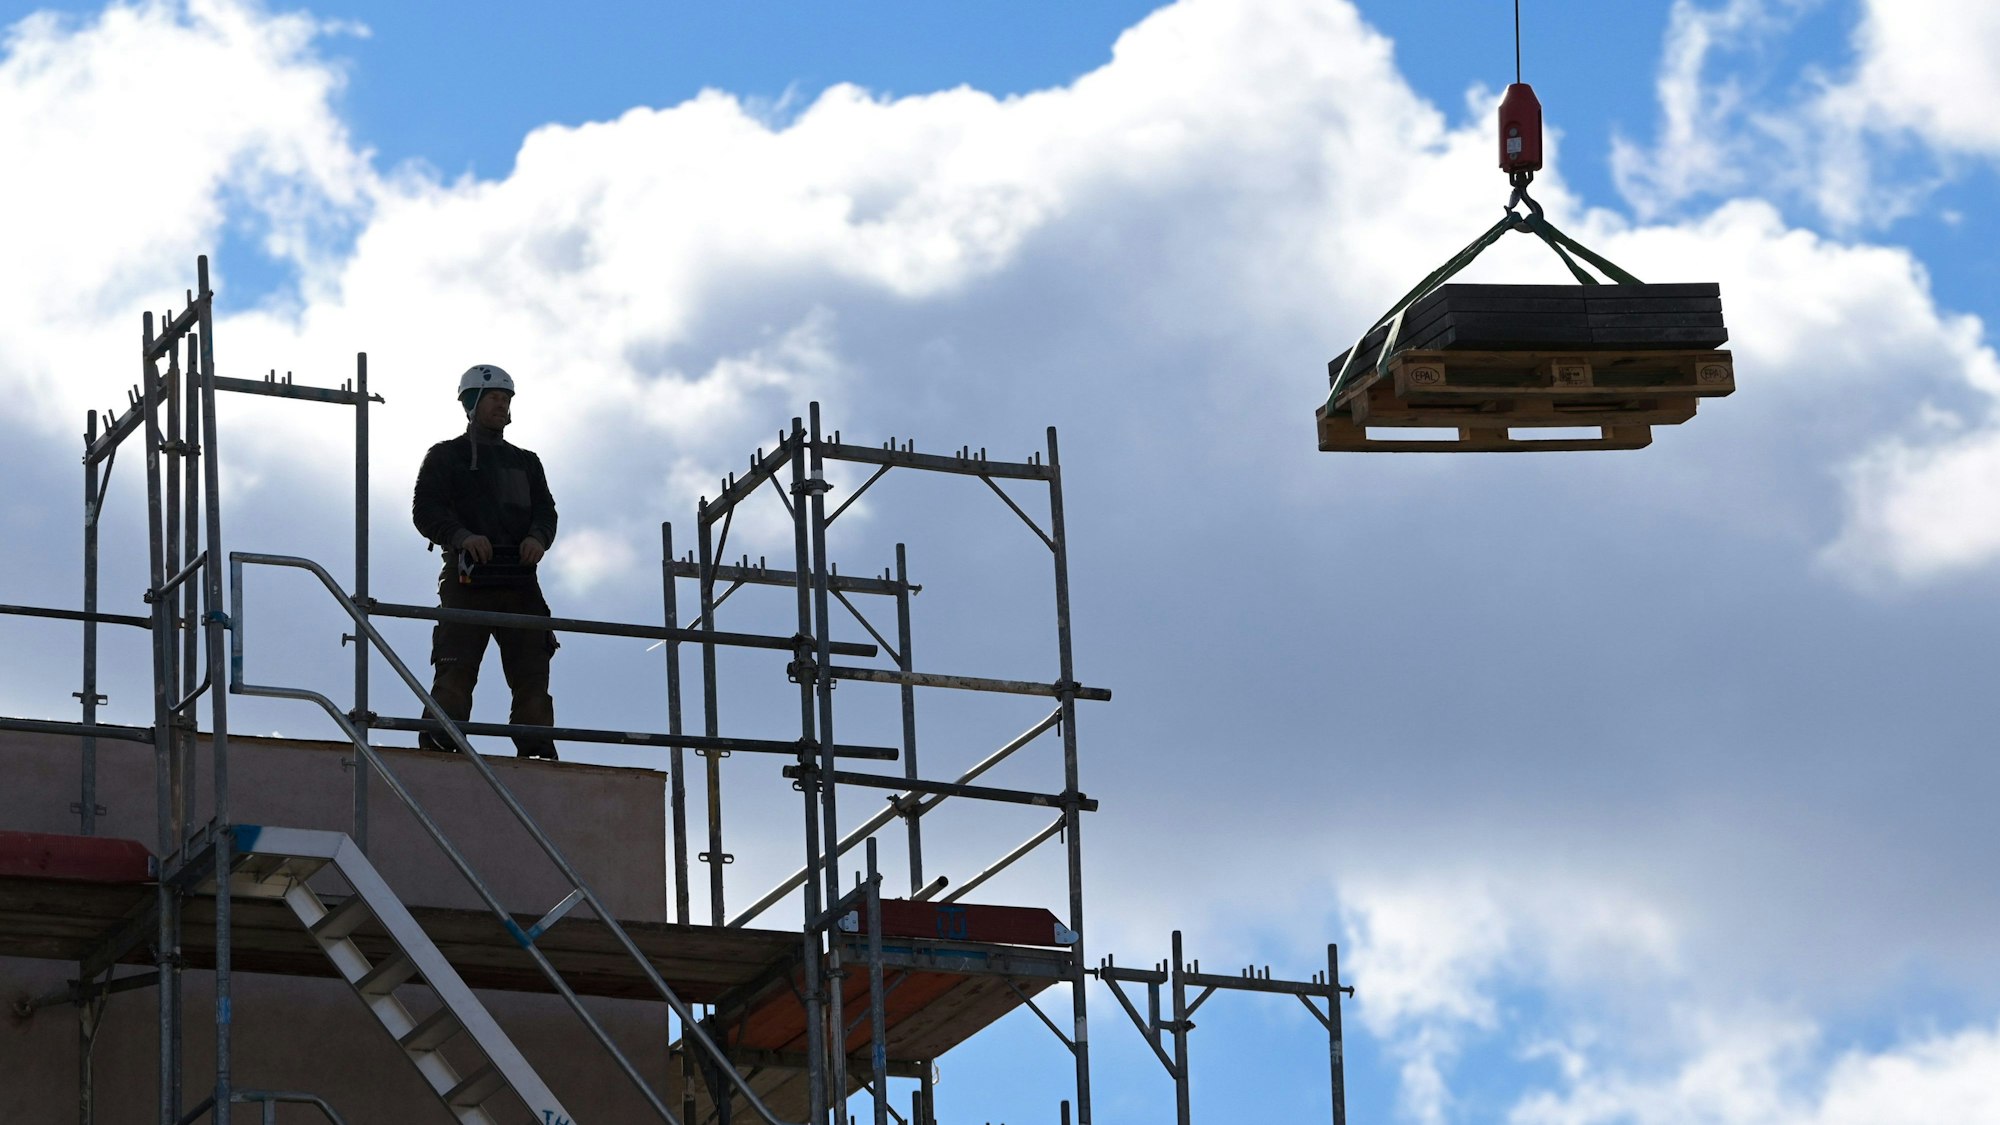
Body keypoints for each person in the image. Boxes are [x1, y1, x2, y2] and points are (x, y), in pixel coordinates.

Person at [411, 364, 561, 760]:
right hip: (468, 581)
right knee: (455, 668)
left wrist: (537, 538)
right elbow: (426, 510)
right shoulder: (446, 456)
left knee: (532, 673)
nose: (503, 404)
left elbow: (546, 512)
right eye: (495, 397)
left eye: (507, 398)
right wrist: (461, 537)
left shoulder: (527, 462)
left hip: (520, 583)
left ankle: (536, 749)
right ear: (472, 402)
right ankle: (443, 741)